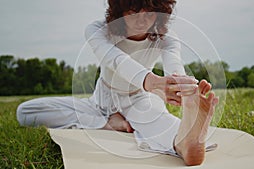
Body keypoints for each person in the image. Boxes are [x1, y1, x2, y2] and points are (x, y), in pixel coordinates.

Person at [17, 0, 218, 166]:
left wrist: (180, 85)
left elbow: (173, 63)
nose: (141, 20)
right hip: (101, 103)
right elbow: (115, 60)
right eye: (134, 12)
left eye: (149, 14)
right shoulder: (98, 30)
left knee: (158, 120)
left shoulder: (167, 38)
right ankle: (108, 124)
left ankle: (185, 140)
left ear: (159, 13)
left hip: (139, 99)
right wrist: (152, 82)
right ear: (120, 11)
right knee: (25, 112)